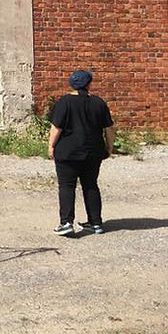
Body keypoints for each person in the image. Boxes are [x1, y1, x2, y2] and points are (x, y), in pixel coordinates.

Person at [47, 69, 115, 236]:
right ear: (89, 84)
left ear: (71, 83)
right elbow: (109, 128)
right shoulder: (99, 103)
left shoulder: (64, 102)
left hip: (67, 151)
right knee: (90, 185)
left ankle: (66, 223)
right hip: (93, 151)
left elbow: (57, 127)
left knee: (67, 186)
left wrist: (51, 146)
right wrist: (109, 147)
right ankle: (95, 222)